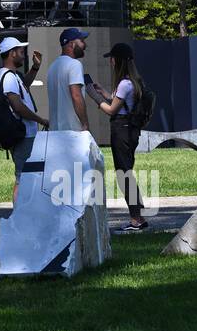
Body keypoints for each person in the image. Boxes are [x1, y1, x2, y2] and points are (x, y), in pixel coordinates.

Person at [89, 42, 149, 233]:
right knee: (127, 172)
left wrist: (95, 98)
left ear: (119, 60)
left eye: (112, 58)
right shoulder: (133, 81)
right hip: (130, 130)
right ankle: (139, 216)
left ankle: (135, 220)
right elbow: (122, 103)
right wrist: (104, 93)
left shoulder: (124, 83)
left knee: (123, 174)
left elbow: (112, 109)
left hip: (121, 130)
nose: (111, 62)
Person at [0, 37, 48, 204]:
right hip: (22, 135)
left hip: (24, 134)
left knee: (27, 176)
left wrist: (35, 67)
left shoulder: (12, 76)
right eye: (20, 51)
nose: (23, 55)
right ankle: (19, 216)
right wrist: (41, 120)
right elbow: (18, 106)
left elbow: (24, 85)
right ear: (11, 54)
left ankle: (24, 214)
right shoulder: (8, 76)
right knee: (22, 177)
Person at [45, 28, 90, 134]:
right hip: (73, 132)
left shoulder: (52, 66)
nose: (85, 45)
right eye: (82, 41)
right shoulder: (75, 64)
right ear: (72, 44)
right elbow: (76, 96)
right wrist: (85, 124)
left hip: (55, 132)